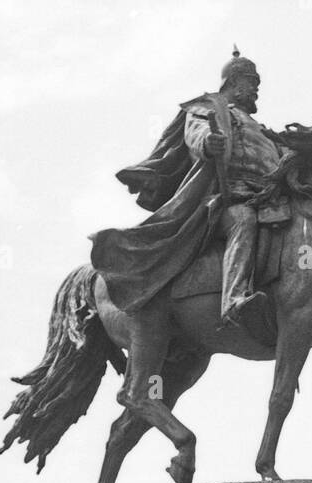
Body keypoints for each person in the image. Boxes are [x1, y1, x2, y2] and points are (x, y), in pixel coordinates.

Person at [90, 49, 282, 323]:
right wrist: (208, 142)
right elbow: (196, 133)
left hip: (269, 198)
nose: (256, 90)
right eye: (253, 82)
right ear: (234, 81)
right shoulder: (206, 108)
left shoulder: (260, 127)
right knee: (243, 221)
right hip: (227, 200)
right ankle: (234, 299)